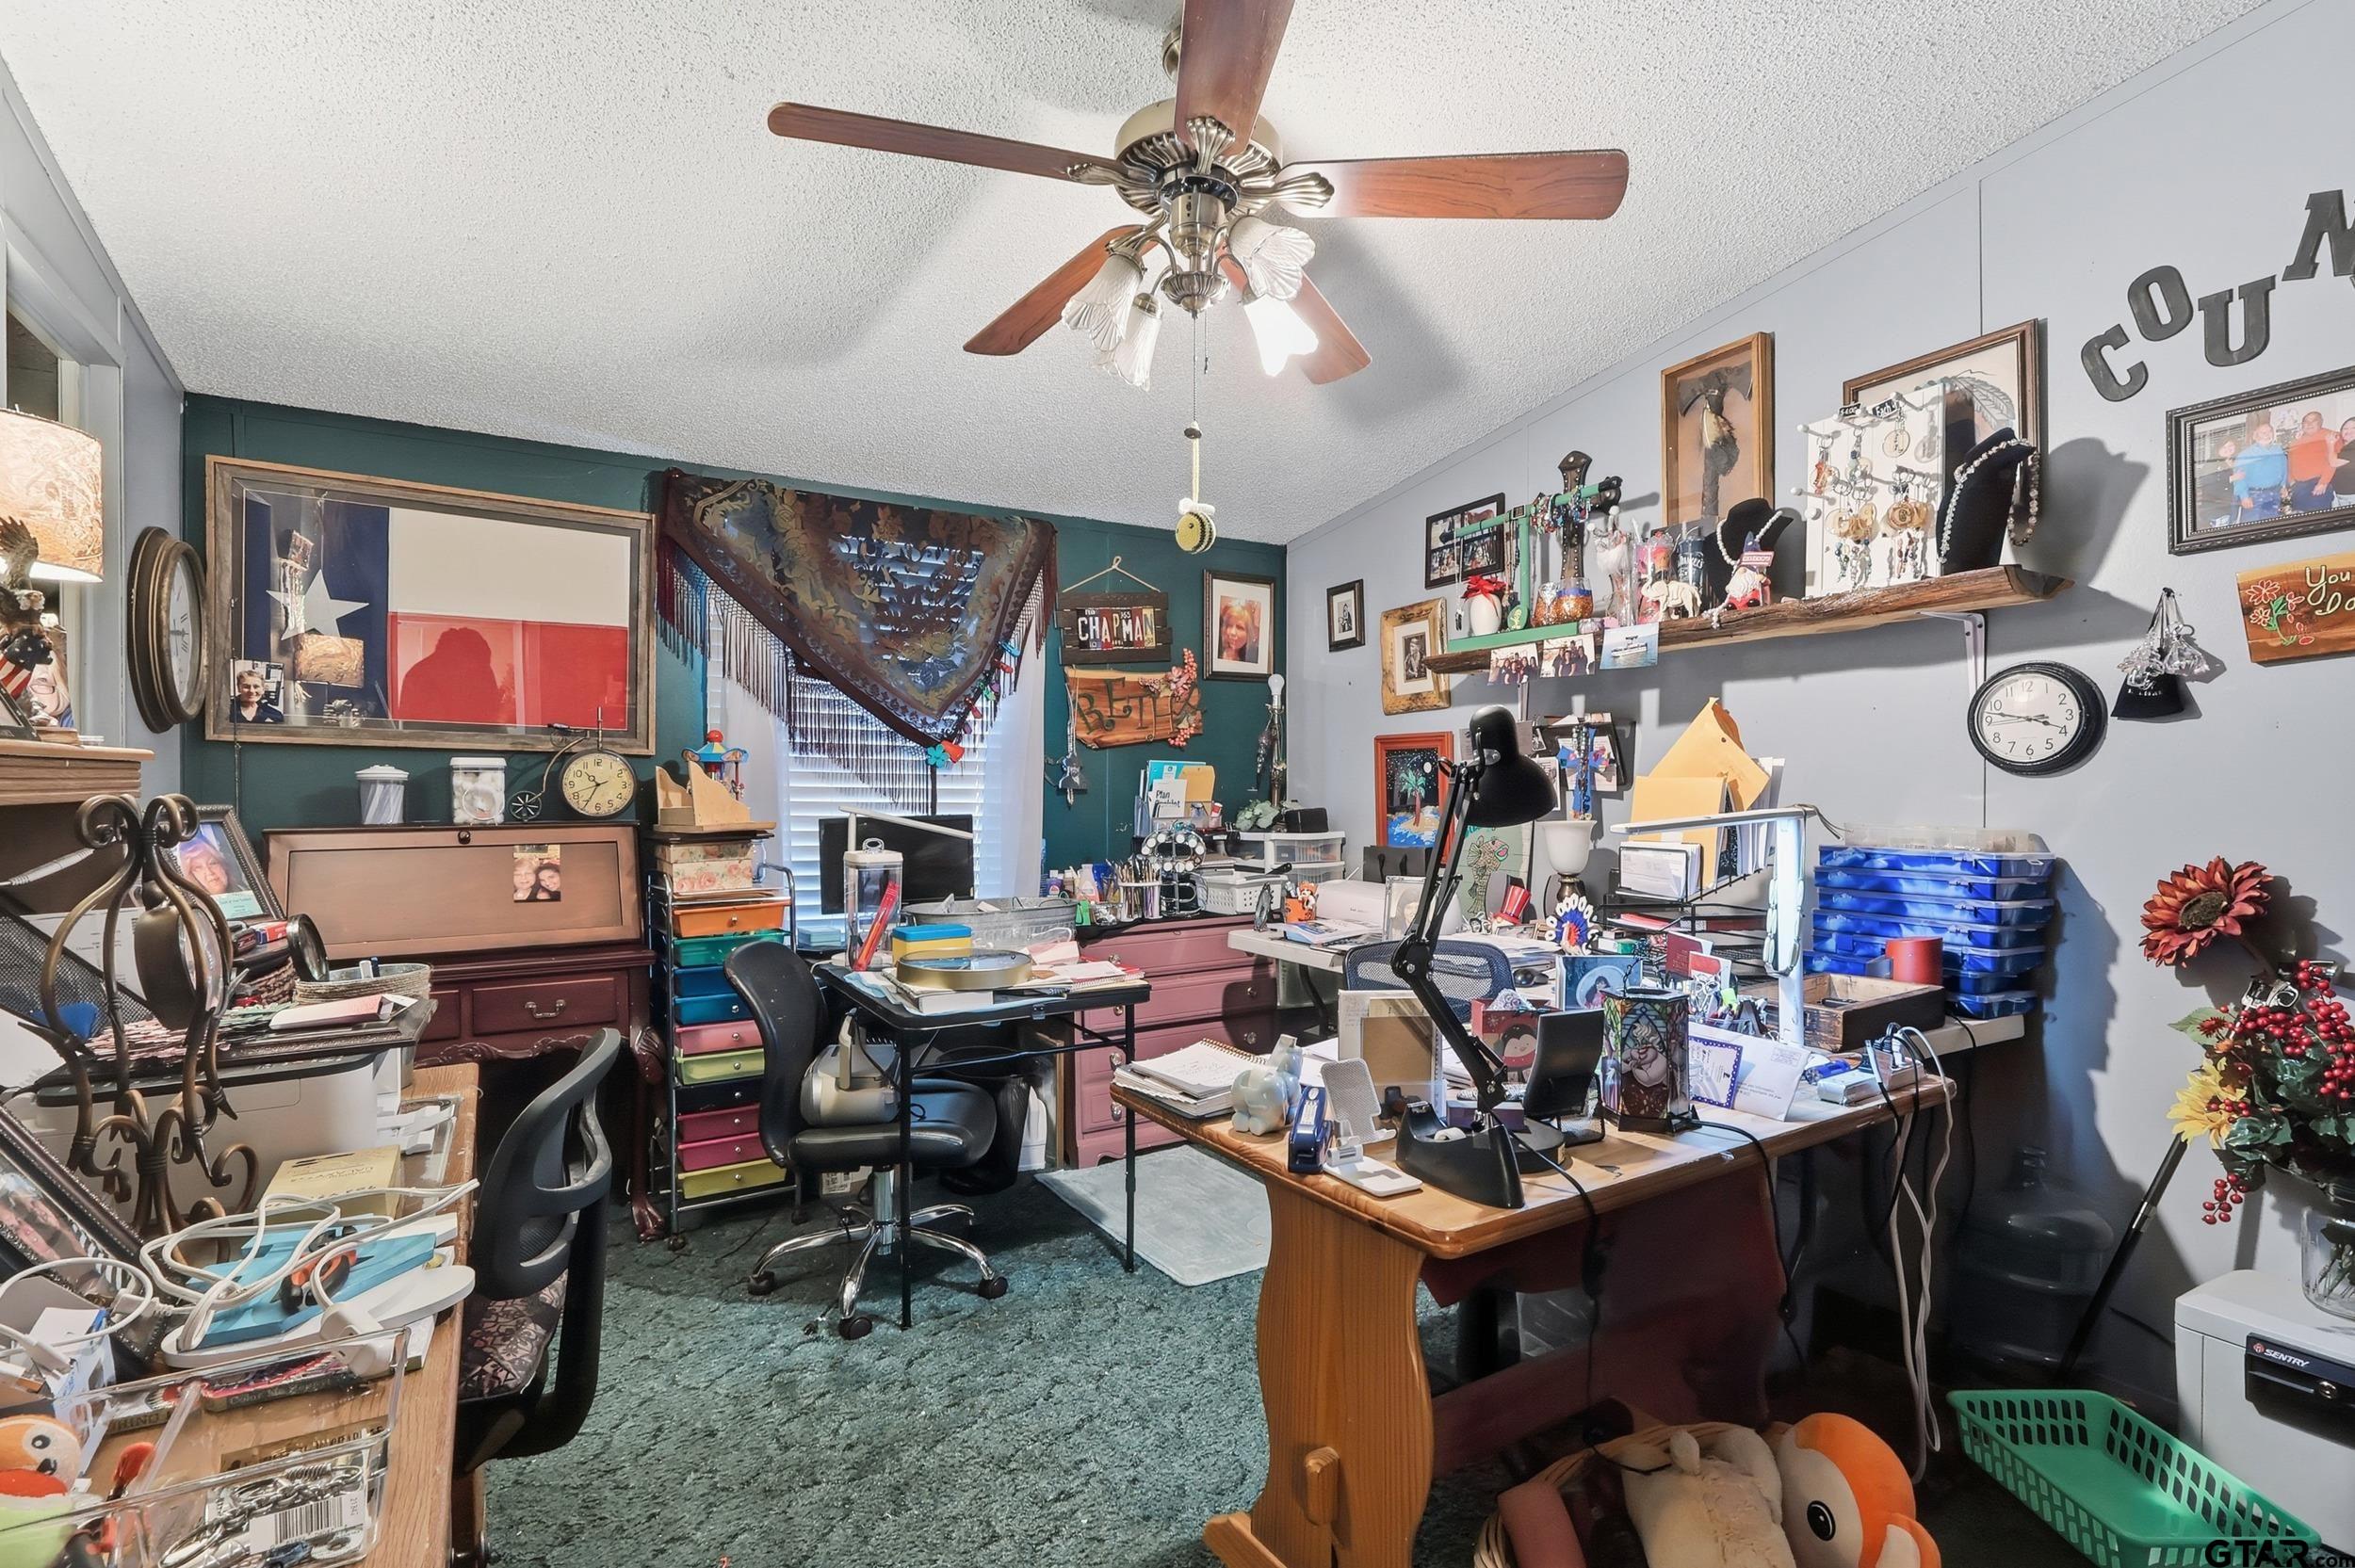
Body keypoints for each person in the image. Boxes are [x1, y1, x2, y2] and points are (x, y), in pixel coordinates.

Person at [2232, 421, 2290, 522]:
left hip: (2275, 494)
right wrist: (2244, 496)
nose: (2267, 435)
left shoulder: (2278, 450)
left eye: (2270, 431)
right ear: (2255, 436)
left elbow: (2284, 468)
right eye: (2263, 432)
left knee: (2273, 526)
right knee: (2252, 527)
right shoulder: (2246, 454)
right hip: (2254, 496)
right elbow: (2238, 478)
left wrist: (2284, 486)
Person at [2285, 410, 2340, 513]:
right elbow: (2290, 462)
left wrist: (2323, 482)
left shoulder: (2330, 436)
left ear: (2321, 422)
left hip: (2318, 485)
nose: (2309, 424)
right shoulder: (2296, 442)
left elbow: (2333, 460)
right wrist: (2292, 482)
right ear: (2302, 425)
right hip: (2298, 488)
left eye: (2314, 420)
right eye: (2306, 421)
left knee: (2317, 519)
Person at [2197, 438, 2238, 526]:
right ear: (2218, 449)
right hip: (2216, 509)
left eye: (2230, 445)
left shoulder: (2236, 461)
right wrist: (2230, 478)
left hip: (2231, 506)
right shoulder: (2212, 463)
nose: (2228, 449)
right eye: (2224, 447)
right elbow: (2207, 483)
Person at [1216, 599, 1260, 666]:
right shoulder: (1216, 650)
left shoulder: (1254, 658)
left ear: (1249, 633)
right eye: (1229, 625)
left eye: (1239, 627)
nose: (1232, 632)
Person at [2335, 417, 2355, 508]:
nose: (2349, 431)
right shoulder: (2343, 447)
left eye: (2354, 428)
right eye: (2345, 428)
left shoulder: (2352, 447)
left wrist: (2330, 444)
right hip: (2343, 495)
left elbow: (2334, 463)